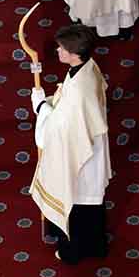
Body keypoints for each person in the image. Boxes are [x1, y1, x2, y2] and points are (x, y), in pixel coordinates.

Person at [30, 24, 111, 264]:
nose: (57, 50)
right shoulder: (87, 67)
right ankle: (96, 246)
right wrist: (52, 101)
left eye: (62, 47)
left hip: (81, 154)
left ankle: (72, 252)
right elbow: (68, 107)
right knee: (90, 206)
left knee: (77, 204)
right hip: (89, 144)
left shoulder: (80, 91)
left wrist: (41, 107)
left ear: (75, 53)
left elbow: (58, 128)